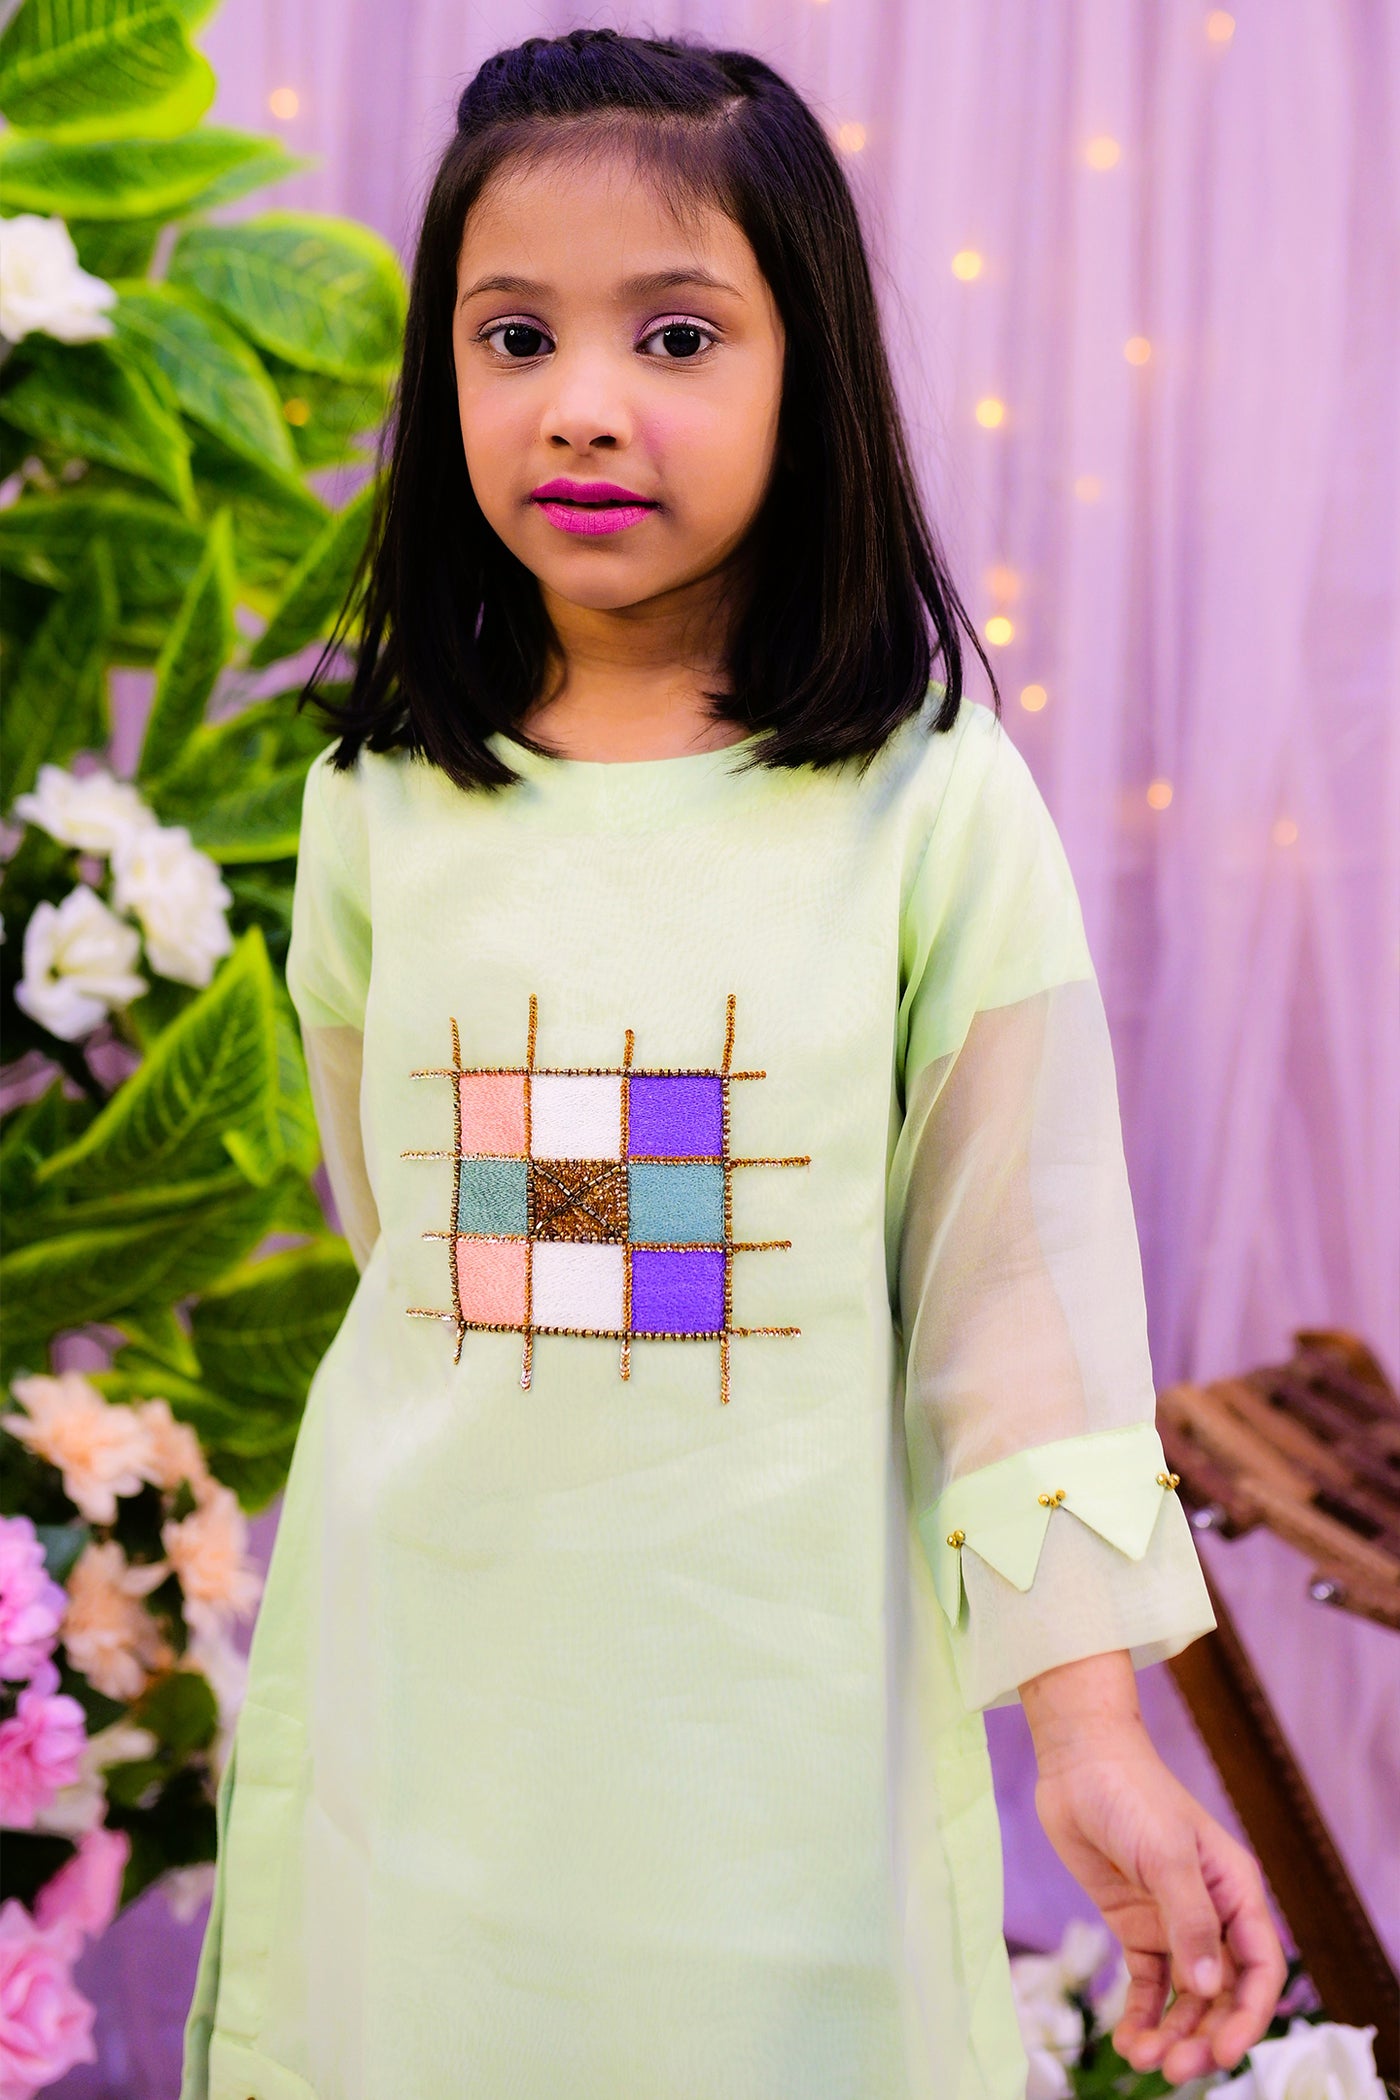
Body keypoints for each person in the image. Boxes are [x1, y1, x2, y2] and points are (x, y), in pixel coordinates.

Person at [181, 28, 1285, 2100]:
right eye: (513, 336)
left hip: (775, 1722)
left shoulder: (929, 807)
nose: (582, 403)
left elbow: (1016, 1303)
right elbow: (391, 1229)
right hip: (430, 1691)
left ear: (813, 377)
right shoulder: (374, 805)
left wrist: (1089, 1733)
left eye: (678, 335)